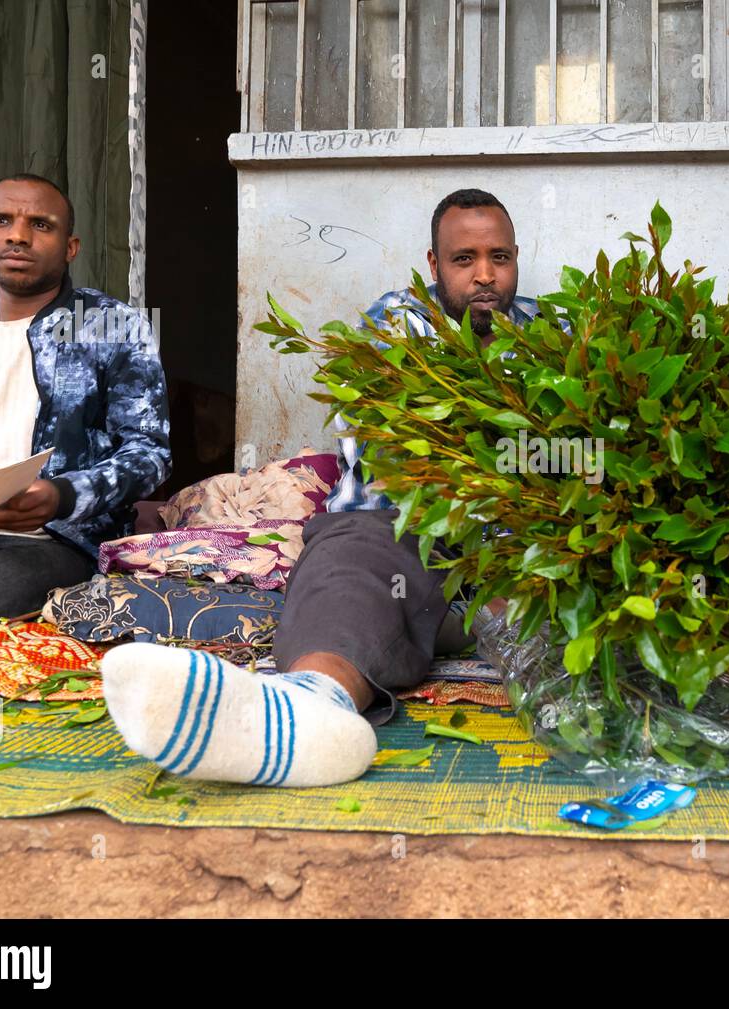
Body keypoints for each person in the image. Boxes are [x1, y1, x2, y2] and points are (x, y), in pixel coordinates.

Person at [102, 189, 541, 786]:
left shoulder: (555, 333)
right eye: (464, 260)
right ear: (434, 266)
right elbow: (397, 464)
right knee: (351, 570)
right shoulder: (397, 324)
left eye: (500, 257)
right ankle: (303, 711)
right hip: (401, 535)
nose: (485, 275)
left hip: (515, 554)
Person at [0, 173, 171, 622]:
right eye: (2, 220)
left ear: (71, 247)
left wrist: (62, 496)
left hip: (50, 537)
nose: (19, 236)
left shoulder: (112, 327)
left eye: (41, 225)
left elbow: (149, 454)